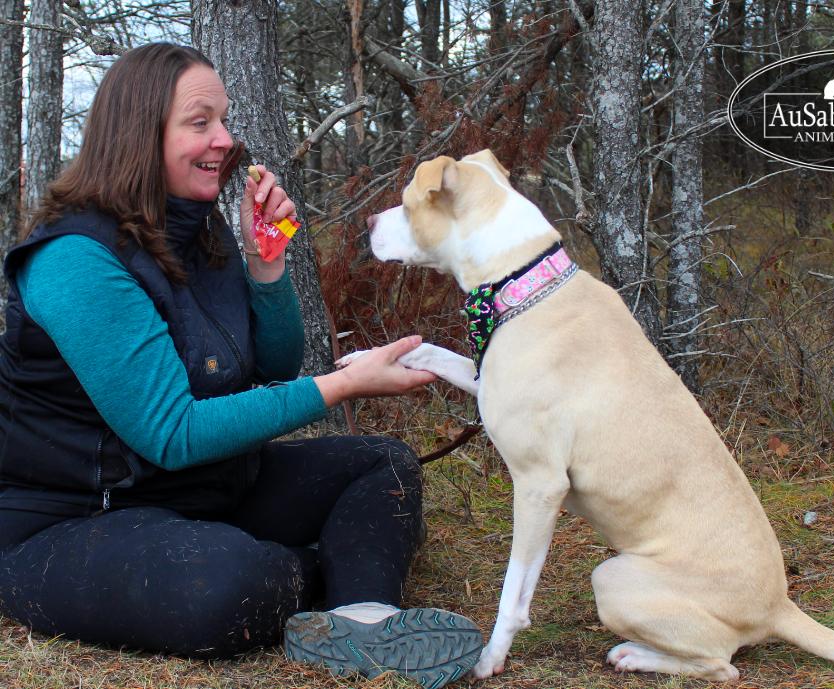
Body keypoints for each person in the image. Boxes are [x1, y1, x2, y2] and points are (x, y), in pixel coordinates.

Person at [0, 43, 482, 688]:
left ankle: (362, 618)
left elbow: (272, 365)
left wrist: (266, 266)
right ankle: (306, 571)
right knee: (227, 586)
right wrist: (340, 386)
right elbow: (171, 433)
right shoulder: (74, 261)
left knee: (379, 465)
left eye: (223, 121)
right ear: (139, 134)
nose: (225, 140)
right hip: (77, 519)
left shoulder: (198, 230)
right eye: (200, 123)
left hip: (203, 490)